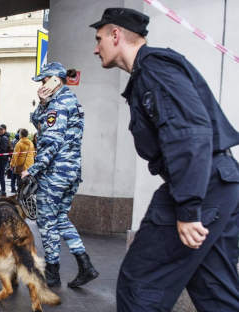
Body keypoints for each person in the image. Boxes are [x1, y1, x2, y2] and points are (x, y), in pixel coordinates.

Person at [91, 8, 239, 311]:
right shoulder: (151, 72)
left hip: (203, 184)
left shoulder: (154, 68)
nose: (96, 48)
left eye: (99, 39)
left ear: (116, 35)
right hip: (219, 183)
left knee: (140, 285)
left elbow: (189, 133)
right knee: (214, 289)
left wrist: (187, 208)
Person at [22, 62, 98, 288]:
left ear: (55, 79)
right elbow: (37, 122)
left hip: (55, 172)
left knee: (46, 222)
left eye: (45, 80)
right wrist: (43, 103)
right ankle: (85, 265)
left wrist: (32, 170)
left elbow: (51, 141)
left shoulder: (59, 105)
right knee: (62, 219)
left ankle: (52, 274)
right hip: (71, 172)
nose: (42, 84)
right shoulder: (67, 100)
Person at [0, 124, 11, 196]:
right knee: (1, 175)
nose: (0, 131)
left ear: (5, 130)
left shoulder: (4, 138)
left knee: (1, 175)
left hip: (2, 159)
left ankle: (3, 191)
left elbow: (3, 149)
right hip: (2, 159)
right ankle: (2, 189)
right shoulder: (4, 137)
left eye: (1, 129)